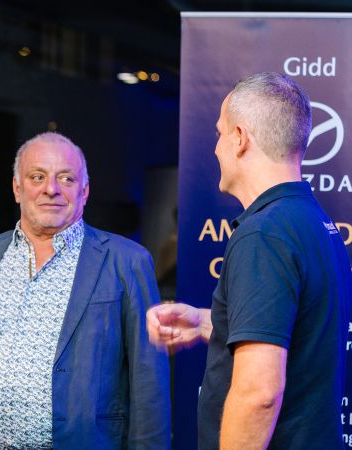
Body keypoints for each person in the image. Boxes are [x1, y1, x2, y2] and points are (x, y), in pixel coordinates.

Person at [147, 72, 351, 449]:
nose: (215, 148)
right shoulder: (313, 221)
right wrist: (207, 322)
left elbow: (259, 393)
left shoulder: (264, 234)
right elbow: (293, 330)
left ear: (240, 138)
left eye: (220, 133)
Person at [0, 132, 171, 449]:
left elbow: (148, 378)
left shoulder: (126, 262)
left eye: (66, 178)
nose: (51, 189)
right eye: (37, 177)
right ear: (17, 188)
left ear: (84, 191)